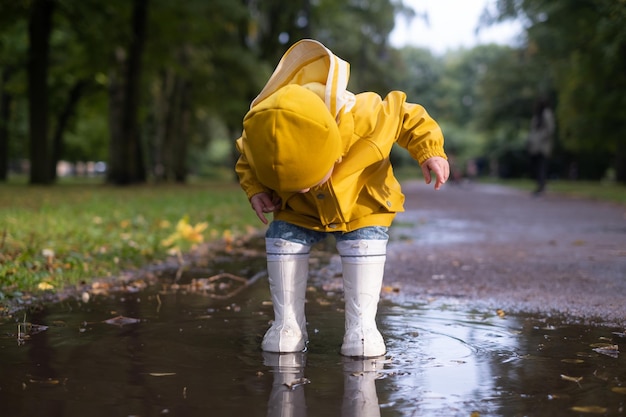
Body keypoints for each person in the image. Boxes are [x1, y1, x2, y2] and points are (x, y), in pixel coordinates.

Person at [235, 39, 449, 358]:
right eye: (294, 183)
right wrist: (258, 190)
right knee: (282, 239)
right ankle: (287, 324)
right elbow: (246, 158)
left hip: (362, 202)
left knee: (363, 242)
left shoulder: (367, 114)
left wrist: (428, 151)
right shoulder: (264, 130)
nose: (304, 187)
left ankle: (362, 325)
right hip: (298, 211)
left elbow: (407, 115)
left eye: (307, 179)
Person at [527, 97, 555, 195]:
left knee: (542, 166)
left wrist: (543, 138)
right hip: (535, 146)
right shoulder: (536, 116)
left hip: (543, 145)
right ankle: (540, 185)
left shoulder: (547, 113)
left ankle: (541, 186)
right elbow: (533, 130)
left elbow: (550, 129)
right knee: (536, 166)